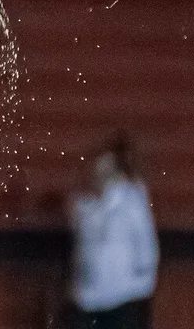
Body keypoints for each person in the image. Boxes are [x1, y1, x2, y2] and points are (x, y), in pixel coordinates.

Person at [69, 137, 158, 329]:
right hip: (91, 296)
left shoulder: (132, 200)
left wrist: (144, 285)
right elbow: (82, 250)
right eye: (98, 169)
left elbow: (145, 244)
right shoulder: (86, 206)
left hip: (125, 295)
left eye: (106, 169)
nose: (100, 174)